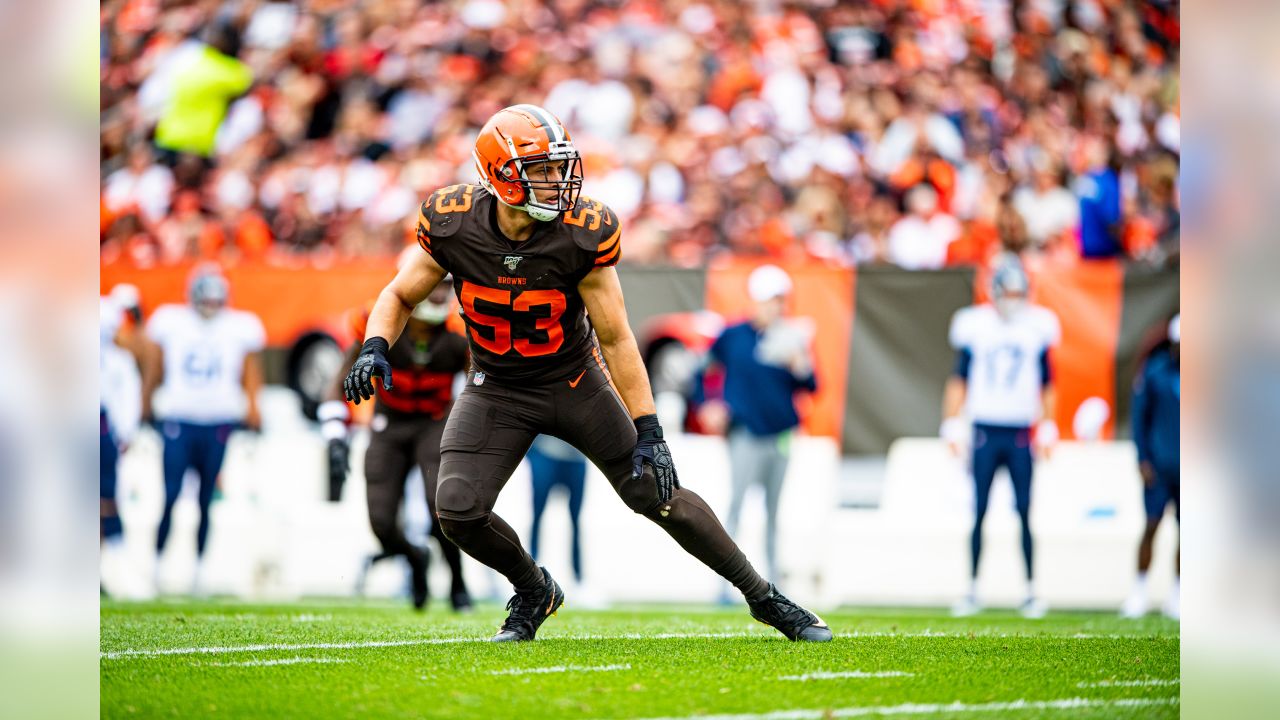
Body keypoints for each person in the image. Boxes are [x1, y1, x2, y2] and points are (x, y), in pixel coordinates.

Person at [343, 104, 831, 642]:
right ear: (500, 175)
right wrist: (374, 345)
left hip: (573, 381)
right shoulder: (453, 220)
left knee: (654, 491)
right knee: (456, 509)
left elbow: (617, 336)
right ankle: (534, 589)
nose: (557, 182)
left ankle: (766, 599)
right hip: (496, 388)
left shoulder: (582, 231)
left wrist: (649, 427)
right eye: (541, 171)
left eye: (559, 168)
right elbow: (399, 293)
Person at [322, 276, 472, 612]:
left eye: (446, 286)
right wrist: (334, 434)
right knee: (382, 522)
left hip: (434, 423)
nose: (439, 293)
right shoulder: (378, 321)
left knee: (442, 507)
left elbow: (479, 384)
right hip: (388, 425)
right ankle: (416, 559)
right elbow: (340, 380)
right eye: (433, 284)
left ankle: (457, 581)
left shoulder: (458, 330)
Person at [942, 258, 1060, 618]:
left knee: (1025, 510)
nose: (1012, 299)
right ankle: (973, 589)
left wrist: (1050, 424)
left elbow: (1048, 383)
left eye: (1017, 292)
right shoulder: (975, 325)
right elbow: (959, 378)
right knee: (978, 511)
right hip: (985, 429)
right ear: (994, 292)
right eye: (1007, 291)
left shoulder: (1037, 327)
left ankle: (1029, 591)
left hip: (1021, 430)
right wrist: (950, 421)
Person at [143, 268, 264, 594]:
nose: (210, 305)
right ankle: (155, 565)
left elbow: (250, 369)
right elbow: (155, 364)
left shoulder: (239, 327)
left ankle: (197, 570)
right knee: (169, 495)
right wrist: (145, 402)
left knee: (205, 499)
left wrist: (254, 407)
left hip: (218, 421)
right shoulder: (171, 322)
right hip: (179, 419)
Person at [701, 265, 816, 585]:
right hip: (745, 432)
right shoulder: (734, 335)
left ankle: (773, 579)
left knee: (774, 510)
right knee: (736, 503)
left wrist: (800, 366)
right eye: (769, 300)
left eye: (779, 301)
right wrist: (709, 404)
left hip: (780, 434)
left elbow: (812, 385)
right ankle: (725, 580)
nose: (774, 307)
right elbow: (703, 370)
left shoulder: (792, 337)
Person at [1122, 314, 1180, 620]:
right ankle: (1139, 590)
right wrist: (1142, 458)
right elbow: (1138, 420)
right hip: (1159, 466)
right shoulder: (1155, 373)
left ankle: (1179, 593)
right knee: (1151, 527)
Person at [526, 435, 589, 592]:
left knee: (576, 520)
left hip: (577, 456)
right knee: (537, 516)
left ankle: (579, 579)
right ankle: (530, 576)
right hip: (546, 453)